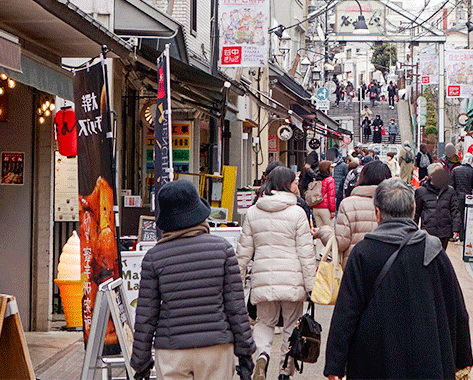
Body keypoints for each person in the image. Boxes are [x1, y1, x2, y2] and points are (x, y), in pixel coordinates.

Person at [324, 179, 473, 380]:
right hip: (427, 357)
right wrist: (463, 358)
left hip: (373, 358)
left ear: (377, 212)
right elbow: (456, 308)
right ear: (413, 208)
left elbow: (346, 311)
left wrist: (335, 364)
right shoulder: (433, 250)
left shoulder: (363, 252)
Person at [132, 179, 255, 380]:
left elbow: (146, 314)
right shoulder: (222, 250)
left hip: (172, 351)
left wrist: (141, 361)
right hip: (216, 347)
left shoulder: (154, 257)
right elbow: (235, 307)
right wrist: (245, 351)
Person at [238, 167, 317, 380]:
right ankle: (285, 372)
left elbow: (244, 250)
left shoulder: (254, 211)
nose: (296, 185)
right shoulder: (297, 213)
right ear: (285, 184)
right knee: (292, 325)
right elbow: (306, 252)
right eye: (294, 182)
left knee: (264, 322)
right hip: (292, 278)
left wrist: (237, 279)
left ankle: (262, 356)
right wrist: (312, 287)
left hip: (263, 277)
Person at [334, 160, 391, 258]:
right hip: (387, 264)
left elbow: (341, 243)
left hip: (355, 263)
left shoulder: (348, 204)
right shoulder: (394, 203)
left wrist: (324, 232)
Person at [414, 165, 462, 249]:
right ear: (431, 175)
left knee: (441, 255)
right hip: (428, 230)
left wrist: (456, 228)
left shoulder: (450, 190)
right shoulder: (421, 191)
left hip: (444, 231)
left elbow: (455, 210)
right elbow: (417, 212)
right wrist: (413, 229)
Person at [312, 160, 337, 228]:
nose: (332, 168)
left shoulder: (316, 179)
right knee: (329, 230)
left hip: (315, 207)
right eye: (331, 167)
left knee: (319, 231)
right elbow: (331, 196)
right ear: (327, 168)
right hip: (325, 208)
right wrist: (332, 210)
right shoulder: (330, 180)